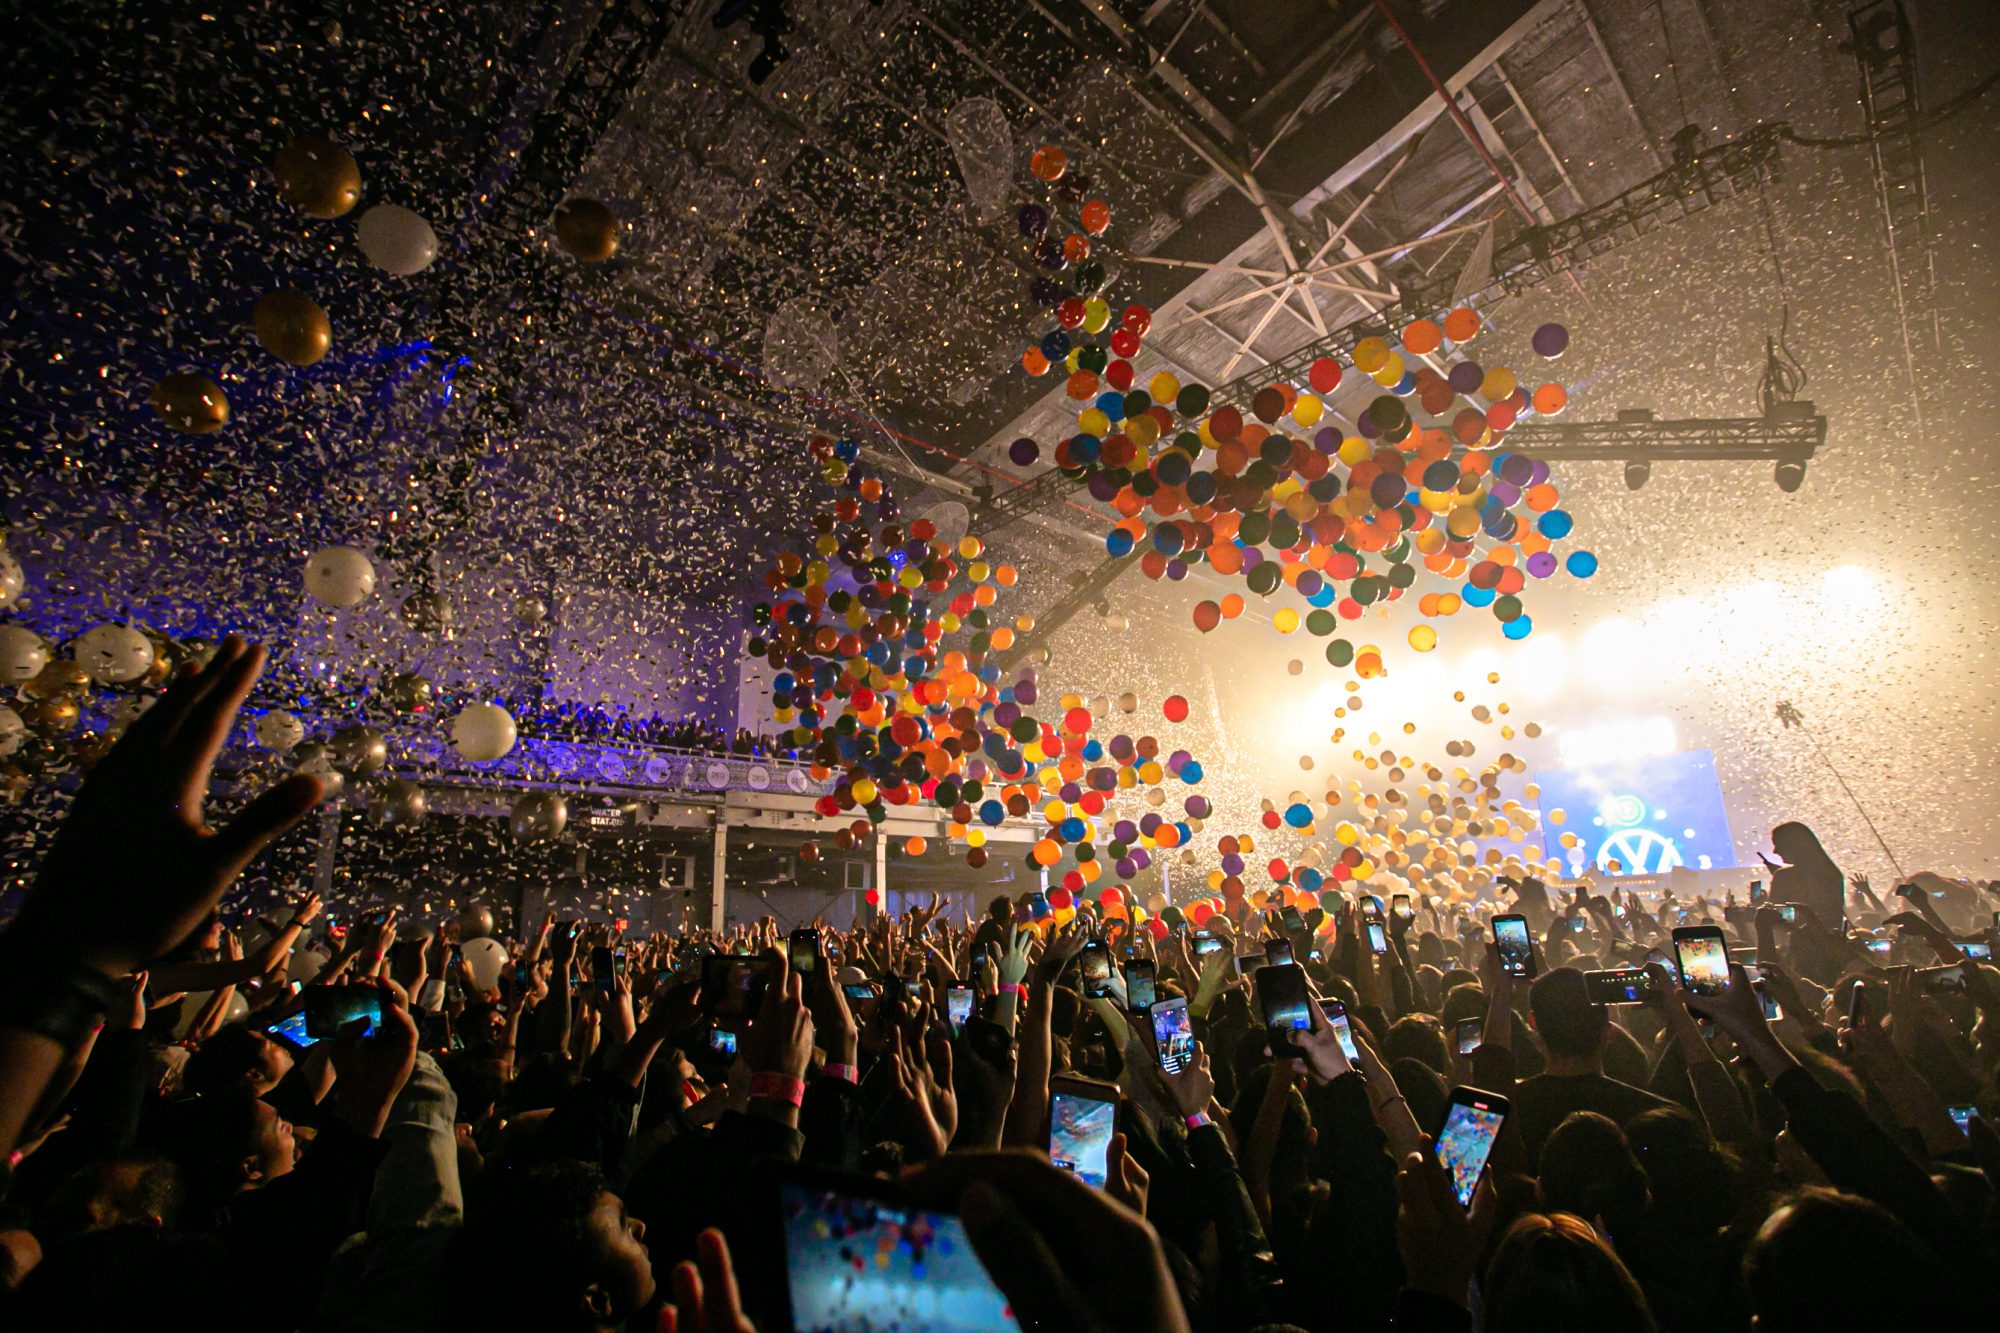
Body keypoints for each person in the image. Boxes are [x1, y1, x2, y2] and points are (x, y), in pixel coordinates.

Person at [1507, 968, 1673, 1161]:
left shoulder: (1506, 1111)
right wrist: (1677, 1017)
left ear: (1533, 1022)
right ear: (1609, 1032)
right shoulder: (1653, 1115)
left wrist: (1501, 992)